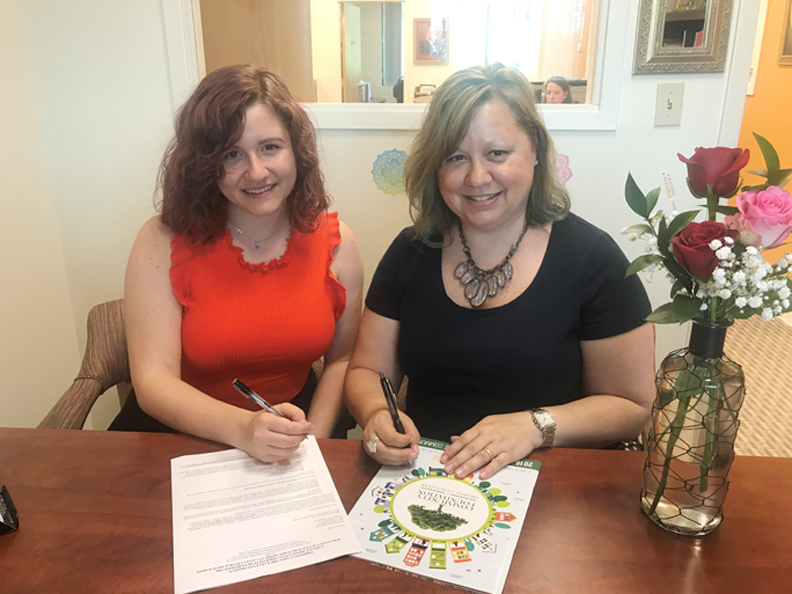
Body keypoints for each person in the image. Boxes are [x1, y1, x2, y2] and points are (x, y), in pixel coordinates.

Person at [344, 63, 654, 480]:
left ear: (535, 150)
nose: (476, 178)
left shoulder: (593, 259)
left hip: (551, 480)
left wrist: (534, 426)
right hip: (425, 477)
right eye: (456, 157)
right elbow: (366, 372)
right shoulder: (410, 251)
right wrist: (376, 414)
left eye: (497, 154)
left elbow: (633, 406)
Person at [112, 65, 363, 463]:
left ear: (296, 151)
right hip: (180, 435)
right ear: (204, 165)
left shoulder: (338, 243)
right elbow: (153, 381)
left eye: (270, 147)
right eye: (232, 154)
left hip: (292, 430)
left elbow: (342, 361)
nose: (257, 172)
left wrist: (310, 442)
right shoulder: (160, 241)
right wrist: (244, 429)